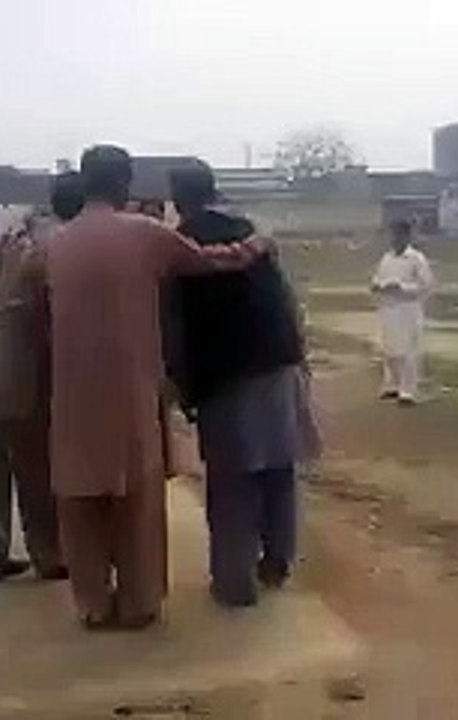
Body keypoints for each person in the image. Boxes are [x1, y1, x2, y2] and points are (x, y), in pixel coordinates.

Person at [46, 145, 268, 630]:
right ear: (125, 182)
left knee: (80, 500)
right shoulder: (145, 235)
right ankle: (139, 600)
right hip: (130, 389)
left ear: (84, 183)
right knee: (137, 500)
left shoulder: (56, 243)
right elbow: (212, 262)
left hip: (72, 393)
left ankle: (93, 603)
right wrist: (255, 245)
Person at [167, 166, 321, 608]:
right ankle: (277, 564)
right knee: (279, 471)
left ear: (178, 199)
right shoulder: (252, 233)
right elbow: (287, 301)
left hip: (226, 376)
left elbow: (175, 326)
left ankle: (235, 582)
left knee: (232, 482)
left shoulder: (179, 246)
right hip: (280, 366)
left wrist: (186, 390)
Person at [0, 173, 85, 582]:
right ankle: (50, 553)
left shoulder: (15, 234)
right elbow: (53, 314)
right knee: (35, 461)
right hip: (21, 363)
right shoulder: (58, 244)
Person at [371, 219, 435, 405]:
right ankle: (392, 385)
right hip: (388, 307)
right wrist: (377, 286)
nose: (395, 239)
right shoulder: (387, 258)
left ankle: (408, 390)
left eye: (399, 235)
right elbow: (377, 278)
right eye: (393, 235)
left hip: (408, 308)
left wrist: (402, 287)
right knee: (390, 348)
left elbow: (426, 285)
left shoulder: (416, 259)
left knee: (408, 350)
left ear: (407, 236)